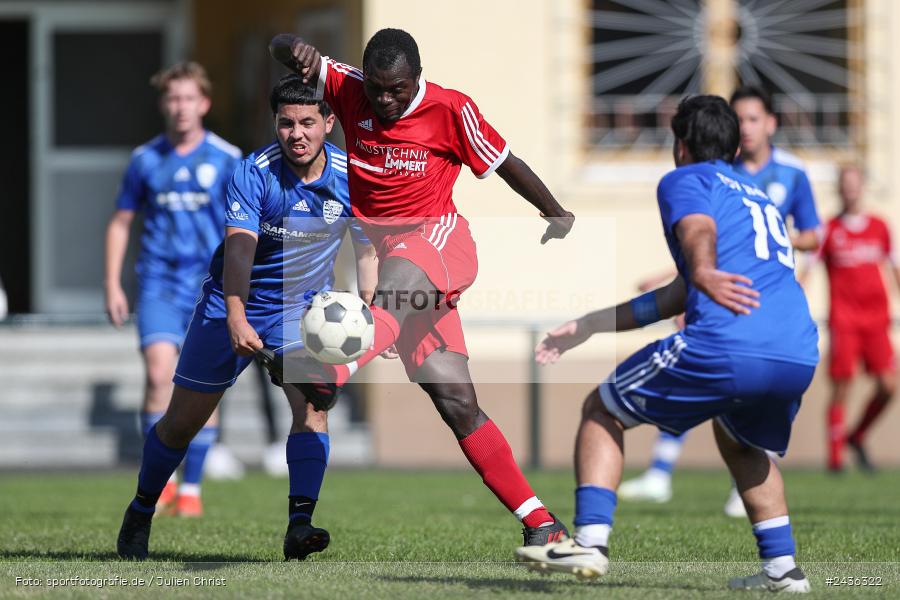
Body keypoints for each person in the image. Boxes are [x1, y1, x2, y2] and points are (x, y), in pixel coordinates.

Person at [269, 28, 574, 545]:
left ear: (418, 77)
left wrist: (554, 211)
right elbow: (285, 48)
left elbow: (506, 163)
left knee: (391, 291)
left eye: (399, 90)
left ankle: (332, 373)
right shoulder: (346, 86)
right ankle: (541, 523)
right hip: (394, 258)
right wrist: (289, 45)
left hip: (439, 240)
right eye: (378, 90)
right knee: (456, 401)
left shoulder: (451, 109)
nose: (386, 101)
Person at [517, 96, 818, 593]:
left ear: (680, 145)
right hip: (798, 350)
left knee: (602, 409)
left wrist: (701, 268)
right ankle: (784, 571)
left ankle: (589, 545)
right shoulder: (757, 194)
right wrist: (590, 324)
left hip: (730, 342)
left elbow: (698, 235)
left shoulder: (685, 179)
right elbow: (677, 293)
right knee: (741, 441)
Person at [116, 75, 376, 560]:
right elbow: (239, 251)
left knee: (312, 408)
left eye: (306, 123)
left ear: (328, 123)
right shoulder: (252, 172)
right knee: (180, 425)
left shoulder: (352, 175)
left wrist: (368, 309)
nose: (296, 134)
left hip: (302, 310)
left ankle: (300, 524)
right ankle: (142, 508)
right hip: (229, 304)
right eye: (285, 123)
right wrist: (236, 314)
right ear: (274, 123)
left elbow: (367, 252)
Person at [620, 85, 822, 517]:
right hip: (727, 293)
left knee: (617, 402)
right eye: (740, 119)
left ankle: (594, 536)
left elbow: (813, 235)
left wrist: (765, 245)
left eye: (753, 119)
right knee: (706, 376)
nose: (746, 127)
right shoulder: (717, 173)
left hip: (764, 296)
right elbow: (700, 239)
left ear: (770, 123)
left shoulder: (790, 174)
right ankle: (662, 471)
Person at [104, 62, 242, 516]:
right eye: (172, 98)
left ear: (203, 103)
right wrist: (112, 284)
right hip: (160, 284)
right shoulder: (146, 159)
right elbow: (122, 222)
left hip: (211, 288)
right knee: (159, 375)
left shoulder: (227, 158)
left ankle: (192, 489)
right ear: (164, 104)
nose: (180, 107)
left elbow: (243, 227)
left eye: (188, 98)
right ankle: (159, 482)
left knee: (203, 384)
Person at [803, 165, 898, 472]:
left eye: (855, 183)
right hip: (844, 320)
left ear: (863, 187)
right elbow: (807, 269)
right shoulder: (828, 228)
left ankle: (857, 435)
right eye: (845, 184)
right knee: (842, 387)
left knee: (889, 385)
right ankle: (835, 458)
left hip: (877, 321)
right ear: (839, 188)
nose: (850, 189)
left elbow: (894, 268)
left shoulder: (880, 227)